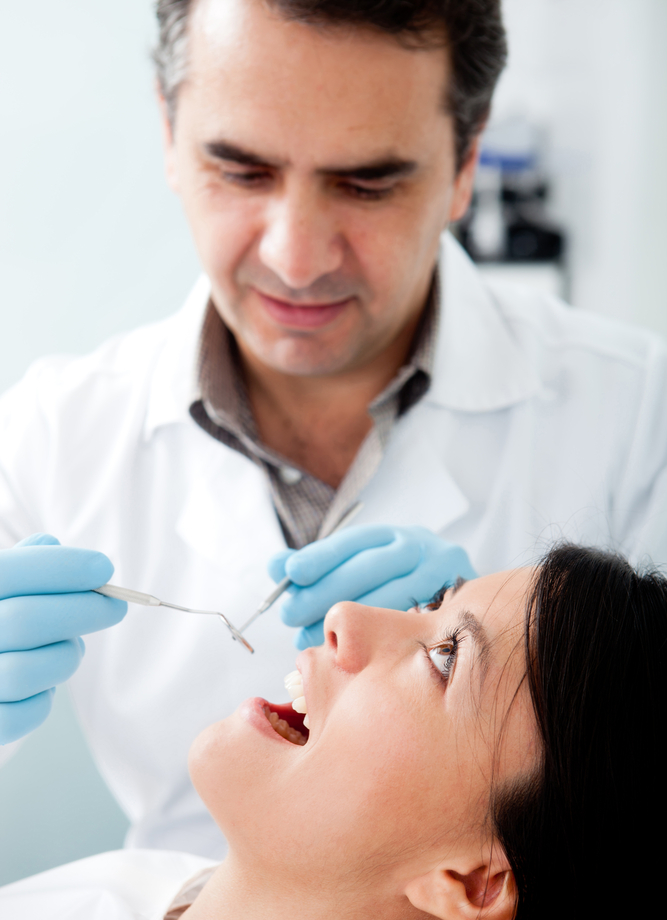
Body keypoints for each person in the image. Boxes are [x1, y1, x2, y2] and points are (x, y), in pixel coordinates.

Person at [1, 0, 666, 861]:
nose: (296, 257)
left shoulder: (636, 412)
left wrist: (534, 683)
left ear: (465, 162)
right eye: (240, 171)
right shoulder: (49, 433)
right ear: (169, 133)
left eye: (367, 183)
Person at [0, 542, 661, 920]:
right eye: (429, 603)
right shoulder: (153, 885)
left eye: (443, 658)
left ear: (474, 884)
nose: (344, 618)